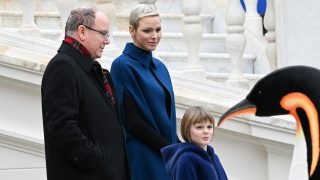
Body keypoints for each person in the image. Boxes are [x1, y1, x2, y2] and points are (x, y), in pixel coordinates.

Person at [41, 7, 129, 180]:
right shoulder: (63, 67)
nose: (107, 41)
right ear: (82, 31)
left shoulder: (90, 70)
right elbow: (62, 128)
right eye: (103, 34)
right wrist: (98, 160)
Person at [110, 4, 178, 180]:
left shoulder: (161, 67)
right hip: (143, 154)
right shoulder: (122, 66)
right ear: (132, 31)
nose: (154, 36)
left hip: (167, 155)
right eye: (147, 31)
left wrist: (180, 148)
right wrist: (169, 149)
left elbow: (168, 116)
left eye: (158, 29)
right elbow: (132, 121)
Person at [161, 106, 228, 180]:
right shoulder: (186, 159)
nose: (206, 131)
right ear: (187, 130)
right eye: (199, 127)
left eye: (209, 127)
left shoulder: (214, 157)